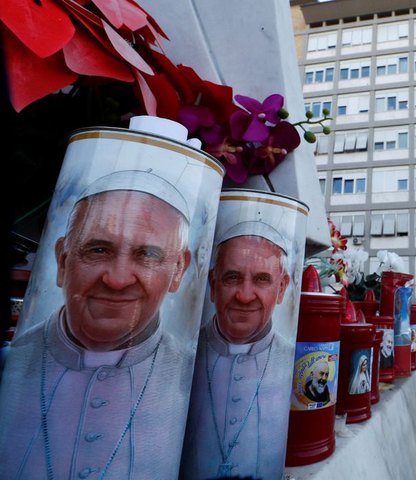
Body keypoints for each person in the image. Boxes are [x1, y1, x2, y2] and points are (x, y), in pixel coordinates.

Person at [0, 171, 193, 479]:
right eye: (98, 250)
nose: (117, 280)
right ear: (63, 261)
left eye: (147, 254)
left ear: (178, 270)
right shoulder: (8, 365)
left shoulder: (195, 378)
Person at [181, 221, 294, 480]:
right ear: (213, 284)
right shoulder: (184, 355)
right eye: (232, 277)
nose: (244, 296)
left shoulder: (291, 359)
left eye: (262, 280)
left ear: (281, 288)